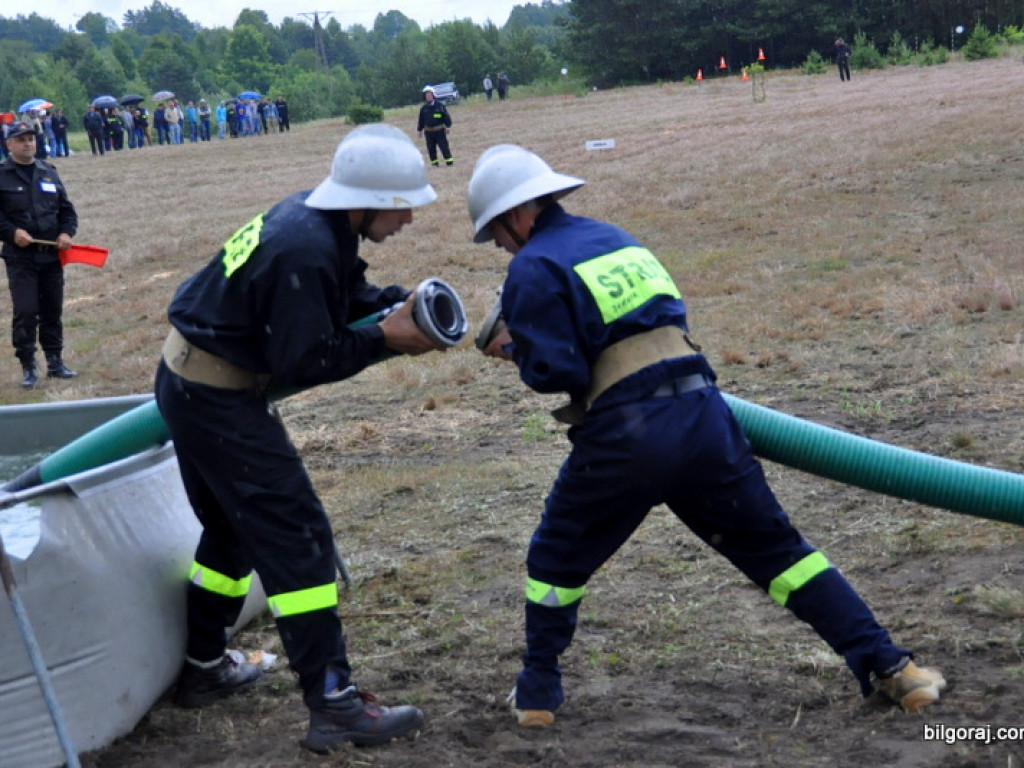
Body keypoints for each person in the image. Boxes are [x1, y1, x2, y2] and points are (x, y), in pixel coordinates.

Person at [465, 144, 947, 728]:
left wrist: (515, 350)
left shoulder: (532, 266)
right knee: (780, 554)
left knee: (555, 558)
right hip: (704, 416)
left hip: (628, 436)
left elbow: (556, 372)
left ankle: (537, 694)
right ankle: (895, 669)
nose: (502, 247)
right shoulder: (619, 241)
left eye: (497, 235)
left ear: (515, 215)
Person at [154, 124, 445, 753]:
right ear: (367, 199)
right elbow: (306, 359)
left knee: (233, 530)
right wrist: (384, 337)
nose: (408, 220)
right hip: (217, 398)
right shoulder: (306, 246)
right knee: (299, 540)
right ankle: (334, 703)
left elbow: (335, 297)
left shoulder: (314, 220)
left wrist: (393, 303)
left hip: (193, 383)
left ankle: (203, 667)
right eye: (402, 207)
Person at [0, 121, 79, 388]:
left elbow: (67, 211)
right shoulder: (2, 175)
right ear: (9, 144)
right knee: (26, 311)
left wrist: (66, 233)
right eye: (21, 139)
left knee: (52, 310)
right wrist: (12, 232)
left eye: (30, 139)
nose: (27, 143)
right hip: (20, 257)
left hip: (51, 256)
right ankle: (28, 366)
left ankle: (55, 362)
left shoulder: (48, 172)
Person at [416, 86, 453, 168]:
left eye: (429, 95)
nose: (428, 97)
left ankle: (449, 162)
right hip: (429, 132)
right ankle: (434, 164)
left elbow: (446, 116)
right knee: (431, 148)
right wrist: (420, 130)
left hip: (440, 131)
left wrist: (448, 126)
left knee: (444, 147)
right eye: (426, 95)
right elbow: (421, 120)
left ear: (433, 95)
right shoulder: (423, 109)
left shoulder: (440, 106)